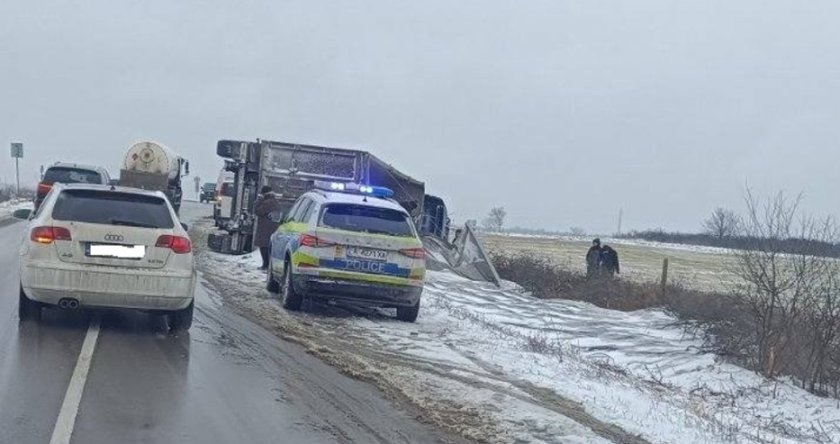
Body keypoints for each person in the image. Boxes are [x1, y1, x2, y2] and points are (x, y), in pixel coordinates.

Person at [254, 186, 282, 270]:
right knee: (267, 247)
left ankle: (265, 265)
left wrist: (259, 201)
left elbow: (258, 211)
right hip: (272, 227)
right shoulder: (275, 201)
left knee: (264, 247)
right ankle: (267, 265)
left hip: (265, 228)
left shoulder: (267, 202)